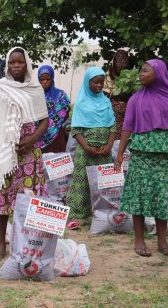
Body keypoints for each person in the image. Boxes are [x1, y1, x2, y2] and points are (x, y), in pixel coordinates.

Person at [115, 59, 168, 257]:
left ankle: (162, 241)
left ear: (158, 73)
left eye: (144, 71)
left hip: (165, 155)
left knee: (161, 196)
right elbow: (127, 127)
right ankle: (139, 240)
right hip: (141, 154)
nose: (140, 74)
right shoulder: (136, 99)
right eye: (140, 71)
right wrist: (119, 154)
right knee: (139, 195)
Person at [0, 47, 49, 261]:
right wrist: (4, 140)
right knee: (2, 191)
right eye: (12, 62)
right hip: (4, 145)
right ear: (7, 65)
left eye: (20, 62)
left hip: (28, 147)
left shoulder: (35, 89)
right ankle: (1, 244)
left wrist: (30, 141)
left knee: (28, 196)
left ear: (27, 63)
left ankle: (27, 243)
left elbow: (44, 121)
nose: (16, 66)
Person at [67, 67, 116, 228]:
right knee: (82, 181)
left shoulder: (106, 102)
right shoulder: (81, 103)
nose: (99, 85)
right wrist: (87, 147)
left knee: (103, 182)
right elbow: (76, 130)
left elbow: (112, 127)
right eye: (96, 82)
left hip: (104, 151)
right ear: (88, 83)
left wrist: (109, 145)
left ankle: (104, 214)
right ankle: (80, 214)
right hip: (85, 150)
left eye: (102, 82)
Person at [37, 65, 71, 153]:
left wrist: (53, 124)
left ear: (52, 79)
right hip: (38, 135)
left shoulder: (60, 94)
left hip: (57, 135)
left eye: (47, 79)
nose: (44, 82)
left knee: (57, 163)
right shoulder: (34, 95)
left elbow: (66, 111)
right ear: (39, 80)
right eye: (42, 79)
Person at [104, 50, 131, 135]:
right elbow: (105, 94)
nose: (121, 65)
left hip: (129, 108)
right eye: (119, 62)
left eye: (124, 62)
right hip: (112, 108)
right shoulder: (108, 75)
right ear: (114, 61)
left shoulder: (131, 75)